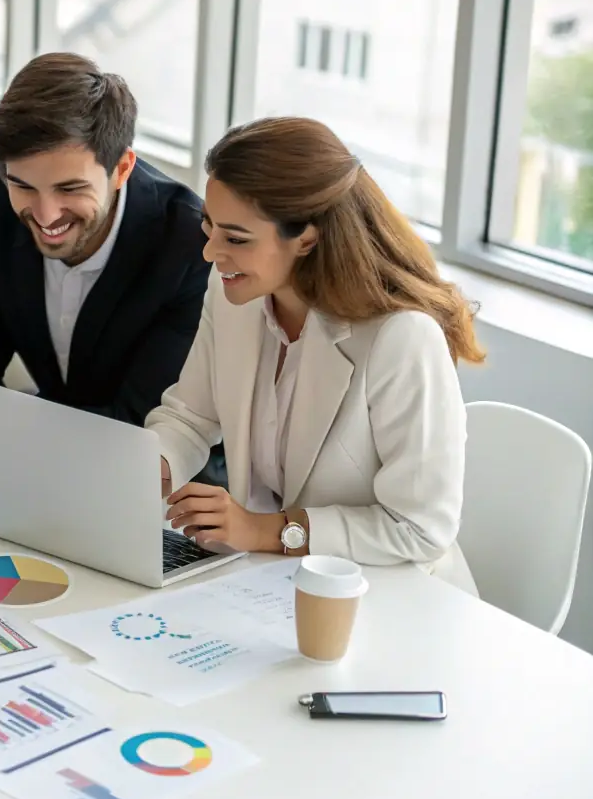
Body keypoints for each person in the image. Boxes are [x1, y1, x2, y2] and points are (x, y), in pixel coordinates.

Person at [148, 116, 483, 591]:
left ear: (306, 237)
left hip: (390, 593)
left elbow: (419, 529)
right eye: (210, 228)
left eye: (236, 238)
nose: (210, 253)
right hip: (267, 584)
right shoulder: (232, 295)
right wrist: (148, 467)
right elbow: (189, 417)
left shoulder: (402, 337)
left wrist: (264, 529)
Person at [0, 52, 211, 440]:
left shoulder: (187, 242)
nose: (44, 215)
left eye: (70, 188)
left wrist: (19, 436)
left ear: (122, 169)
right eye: (23, 185)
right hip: (40, 450)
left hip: (158, 477)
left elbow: (141, 419)